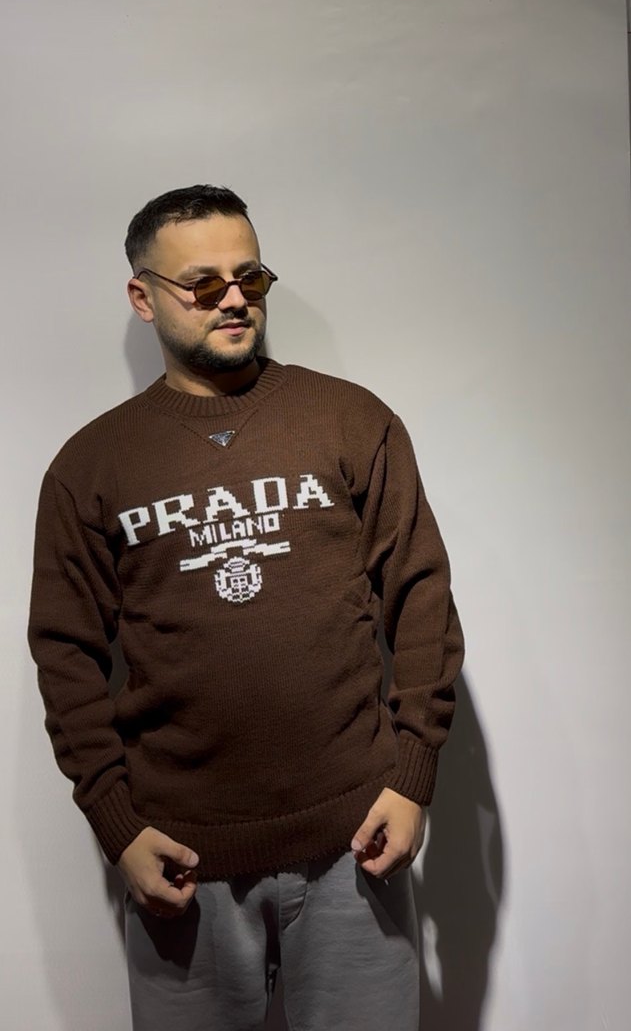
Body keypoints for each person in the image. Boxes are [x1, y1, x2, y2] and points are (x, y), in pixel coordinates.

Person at [28, 184, 465, 1031]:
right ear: (143, 297)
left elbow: (420, 596)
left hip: (355, 843)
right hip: (182, 857)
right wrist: (116, 824)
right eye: (202, 283)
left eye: (250, 276)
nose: (233, 298)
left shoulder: (349, 420)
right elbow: (65, 652)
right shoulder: (91, 466)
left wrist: (413, 775)